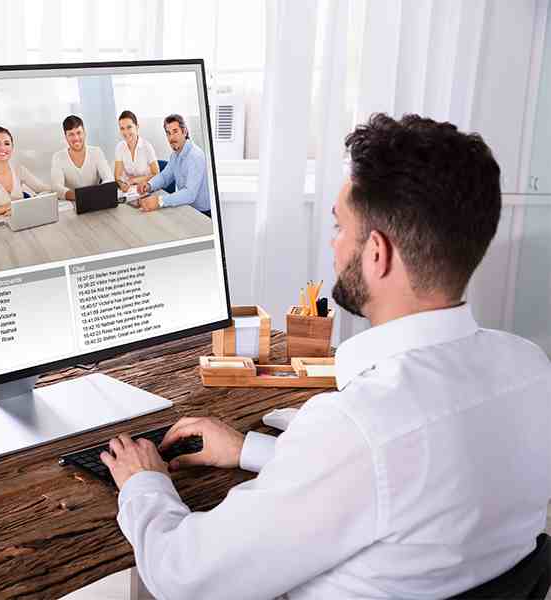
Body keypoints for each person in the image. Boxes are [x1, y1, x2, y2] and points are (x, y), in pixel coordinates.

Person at [101, 114, 551, 599]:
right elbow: (404, 481)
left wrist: (144, 483)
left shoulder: (356, 426)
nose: (333, 245)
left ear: (377, 253)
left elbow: (184, 576)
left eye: (340, 227)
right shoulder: (529, 369)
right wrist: (250, 451)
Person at [0, 127, 54, 221]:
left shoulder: (18, 169)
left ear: (12, 147)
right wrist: (7, 208)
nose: (2, 148)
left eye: (7, 143)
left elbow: (46, 189)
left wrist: (29, 204)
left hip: (22, 222)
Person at [137, 114, 210, 217]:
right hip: (186, 208)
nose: (171, 138)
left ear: (184, 132)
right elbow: (165, 176)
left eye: (175, 132)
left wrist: (159, 201)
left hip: (202, 213)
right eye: (168, 133)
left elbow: (189, 194)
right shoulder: (175, 155)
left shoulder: (195, 156)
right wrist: (149, 185)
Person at [50, 115, 114, 202]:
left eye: (78, 133)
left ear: (84, 133)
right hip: (73, 204)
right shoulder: (58, 157)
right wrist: (79, 196)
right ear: (66, 137)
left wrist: (97, 194)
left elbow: (109, 178)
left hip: (96, 201)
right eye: (71, 134)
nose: (76, 138)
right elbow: (56, 187)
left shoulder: (96, 152)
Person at [113, 110, 159, 192]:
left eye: (129, 127)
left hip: (147, 188)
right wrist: (122, 184)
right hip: (130, 191)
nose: (125, 132)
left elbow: (156, 174)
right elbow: (117, 176)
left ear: (137, 127)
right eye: (122, 128)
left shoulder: (147, 146)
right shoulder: (119, 147)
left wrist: (134, 180)